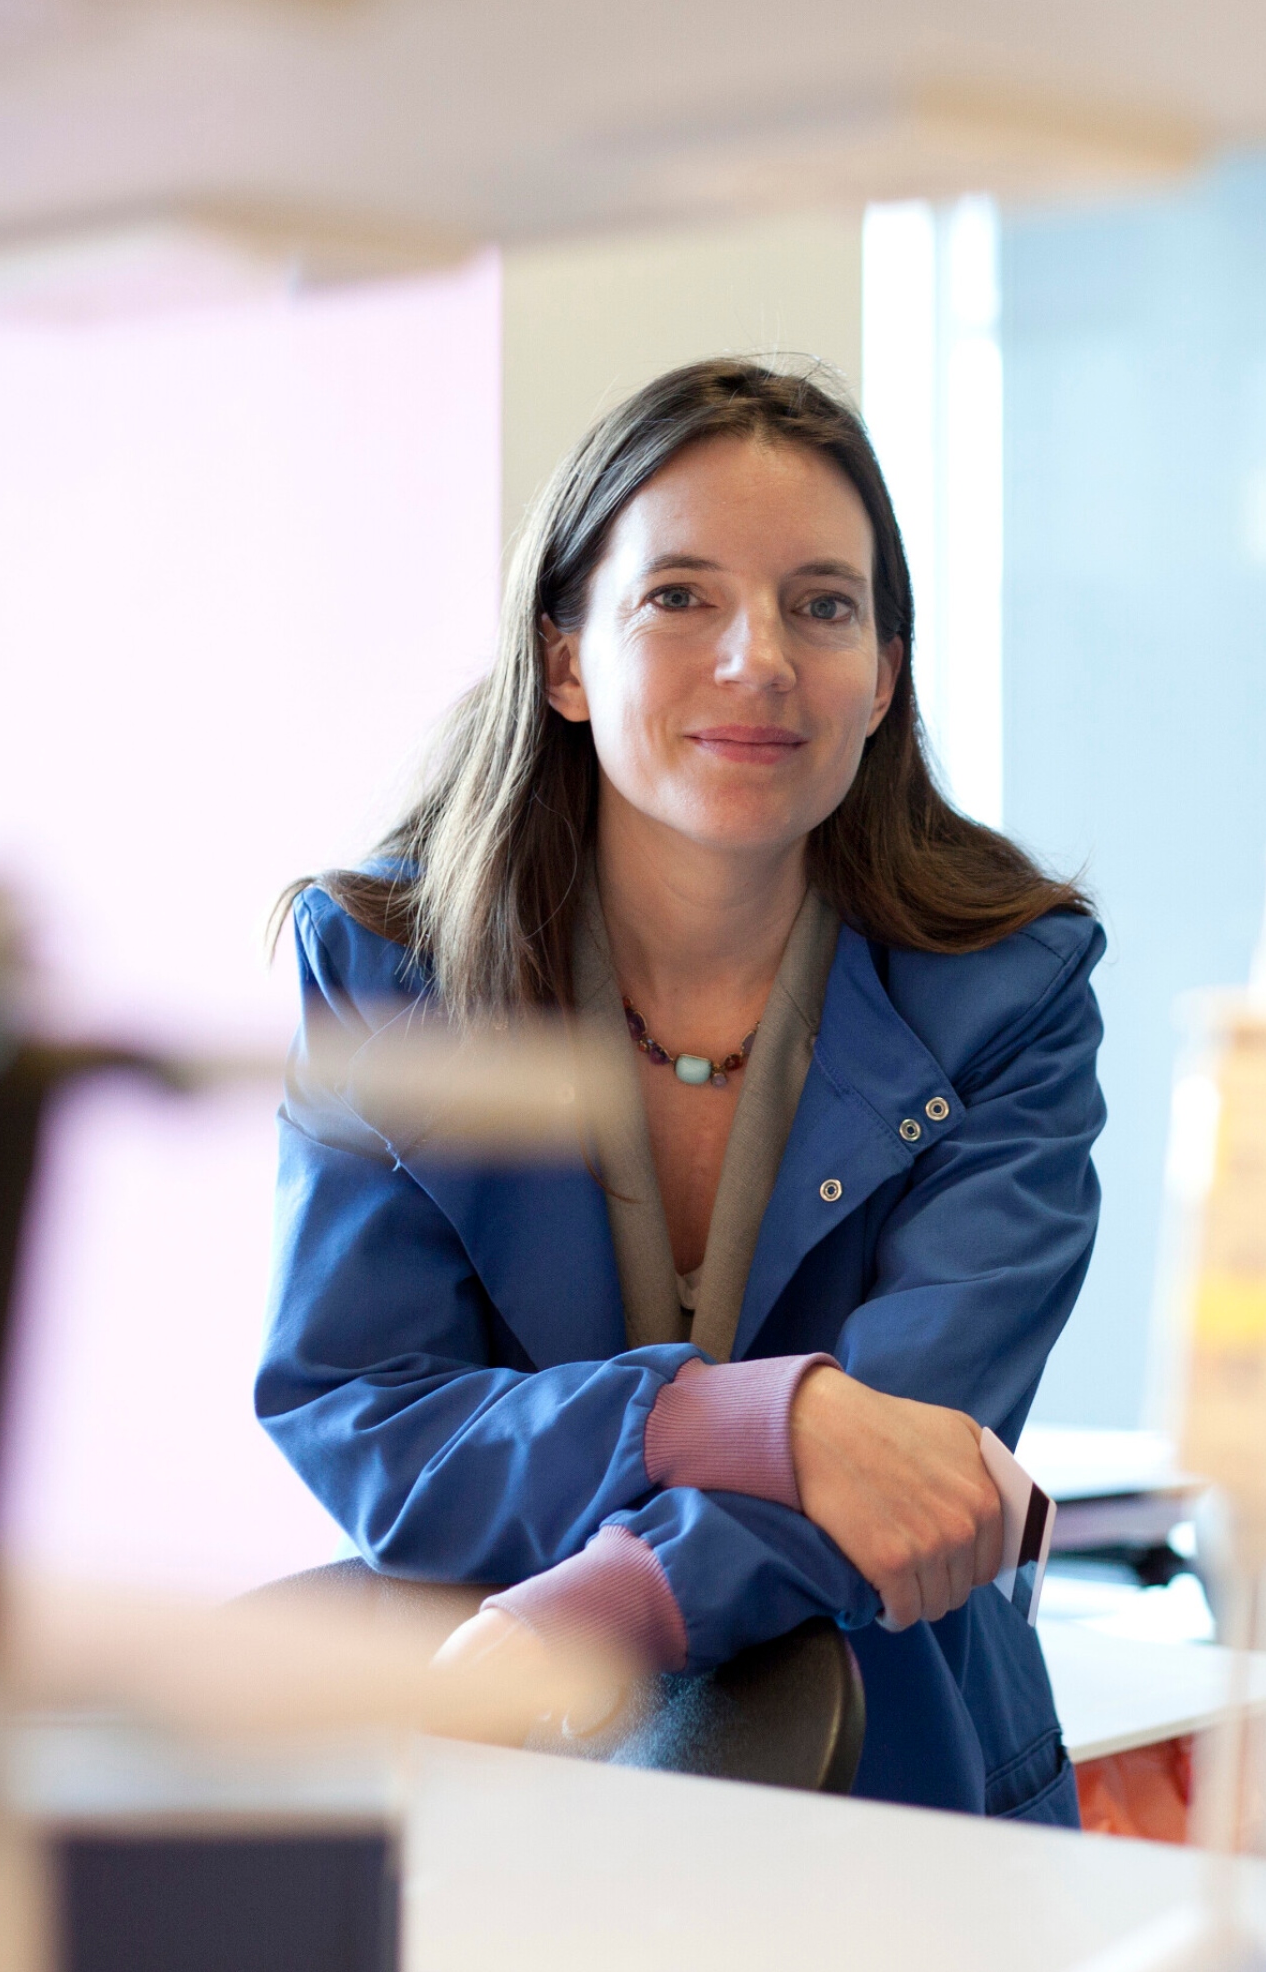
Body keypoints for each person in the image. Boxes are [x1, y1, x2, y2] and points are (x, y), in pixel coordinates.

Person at [257, 358, 1104, 1824]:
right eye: (680, 597)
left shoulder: (1010, 991)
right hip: (495, 1775)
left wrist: (625, 1601)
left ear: (885, 675)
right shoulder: (390, 970)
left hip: (900, 1778)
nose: (759, 658)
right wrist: (731, 1421)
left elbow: (920, 1463)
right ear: (568, 657)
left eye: (824, 605)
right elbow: (365, 1415)